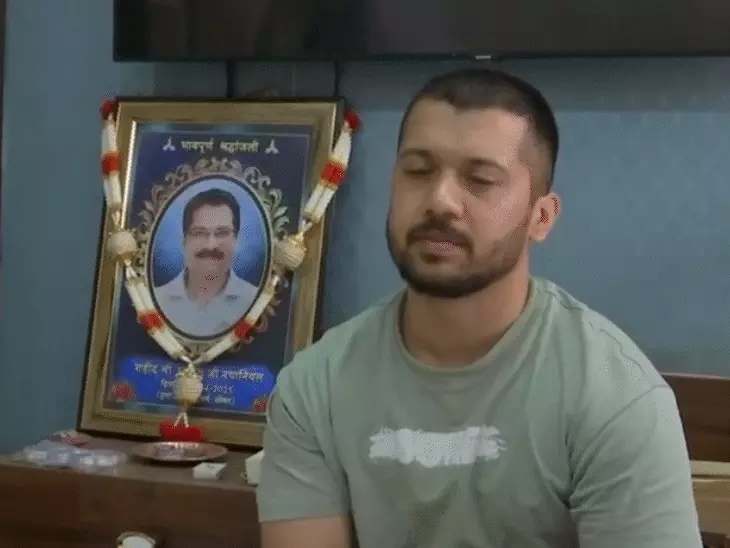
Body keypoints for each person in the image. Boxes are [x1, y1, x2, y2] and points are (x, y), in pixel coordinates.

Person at [256, 68, 702, 548]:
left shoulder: (615, 396)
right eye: (418, 171)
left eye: (481, 179)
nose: (441, 201)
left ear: (541, 217)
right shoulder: (315, 388)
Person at [154, 187, 259, 338]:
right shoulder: (154, 302)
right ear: (184, 241)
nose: (211, 245)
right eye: (199, 233)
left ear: (235, 240)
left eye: (222, 233)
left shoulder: (256, 303)